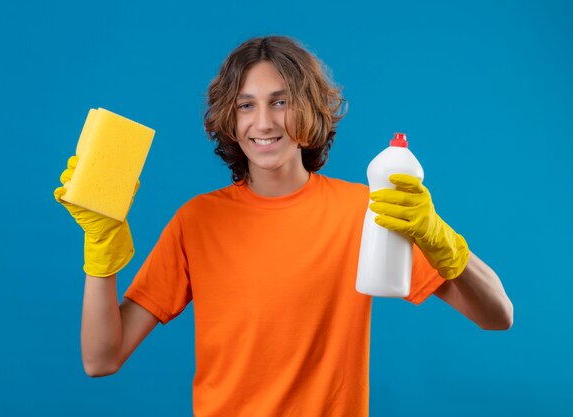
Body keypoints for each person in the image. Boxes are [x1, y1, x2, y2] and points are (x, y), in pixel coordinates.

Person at [54, 36, 513, 417]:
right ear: (229, 121)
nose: (264, 122)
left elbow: (497, 316)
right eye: (246, 106)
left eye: (281, 102)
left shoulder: (363, 212)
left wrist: (441, 240)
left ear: (309, 110)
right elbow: (101, 358)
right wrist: (101, 245)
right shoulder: (198, 220)